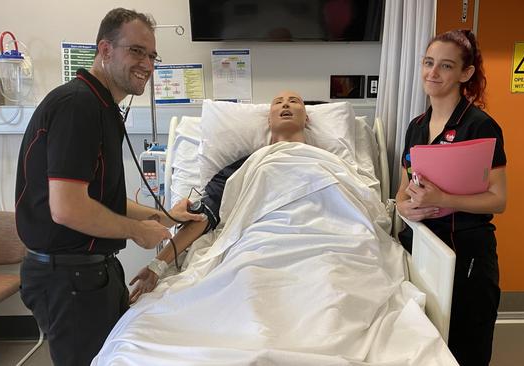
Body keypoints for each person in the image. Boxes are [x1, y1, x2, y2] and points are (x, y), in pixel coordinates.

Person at [15, 8, 203, 366]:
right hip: (69, 278)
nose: (147, 64)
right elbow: (68, 207)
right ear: (105, 50)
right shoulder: (78, 106)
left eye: (152, 55)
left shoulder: (102, 107)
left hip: (89, 272)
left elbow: (99, 200)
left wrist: (162, 215)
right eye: (136, 51)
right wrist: (138, 232)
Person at [128, 90, 310, 303]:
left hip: (315, 243)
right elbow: (204, 215)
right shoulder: (247, 165)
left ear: (306, 118)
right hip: (258, 245)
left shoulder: (334, 165)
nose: (286, 105)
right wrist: (157, 266)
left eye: (294, 101)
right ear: (269, 120)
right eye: (278, 102)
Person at [395, 29, 507, 365]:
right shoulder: (417, 125)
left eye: (445, 66)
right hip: (423, 246)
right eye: (429, 63)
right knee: (427, 343)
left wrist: (444, 198)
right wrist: (404, 207)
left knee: (466, 344)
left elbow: (498, 200)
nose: (432, 73)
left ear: (465, 73)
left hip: (467, 251)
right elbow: (402, 190)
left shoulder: (480, 126)